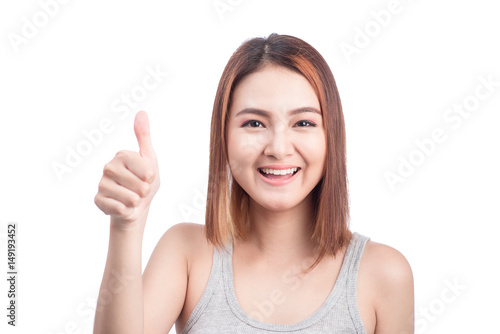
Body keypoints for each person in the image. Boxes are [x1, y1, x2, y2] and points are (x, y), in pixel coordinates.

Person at [93, 33, 414, 334]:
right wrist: (126, 225)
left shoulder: (384, 275)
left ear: (332, 137)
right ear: (224, 136)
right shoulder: (187, 253)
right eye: (254, 123)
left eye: (303, 122)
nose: (278, 147)